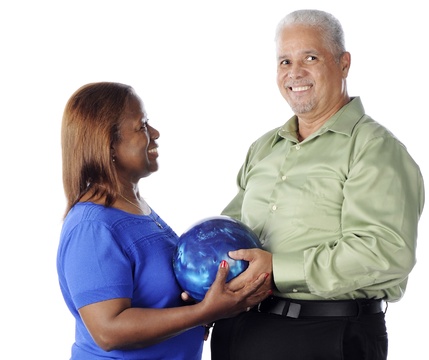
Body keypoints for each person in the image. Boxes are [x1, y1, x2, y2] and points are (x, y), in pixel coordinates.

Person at [211, 9, 425, 360]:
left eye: (310, 57)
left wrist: (276, 268)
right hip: (241, 330)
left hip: (326, 336)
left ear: (344, 63)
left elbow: (385, 252)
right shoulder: (264, 147)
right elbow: (232, 232)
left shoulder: (374, 149)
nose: (295, 72)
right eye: (284, 61)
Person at [56, 82, 271, 360]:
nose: (155, 134)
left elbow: (159, 304)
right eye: (142, 126)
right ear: (108, 143)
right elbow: (109, 331)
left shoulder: (137, 210)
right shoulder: (92, 227)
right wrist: (203, 312)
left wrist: (200, 309)